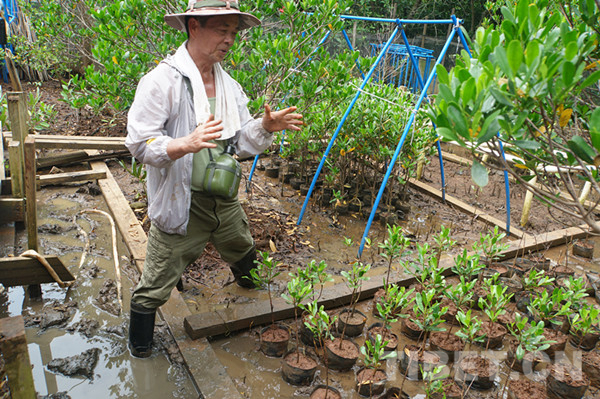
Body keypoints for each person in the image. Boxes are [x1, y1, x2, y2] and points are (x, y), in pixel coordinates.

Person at [125, 0, 303, 358]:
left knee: (242, 245)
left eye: (233, 32)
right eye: (221, 29)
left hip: (223, 199)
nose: (229, 39)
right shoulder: (162, 82)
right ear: (194, 27)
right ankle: (140, 351)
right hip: (183, 204)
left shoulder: (229, 86)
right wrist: (182, 144)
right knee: (155, 285)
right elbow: (139, 143)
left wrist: (264, 127)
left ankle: (252, 298)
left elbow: (237, 143)